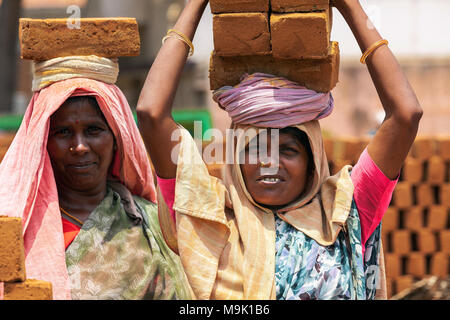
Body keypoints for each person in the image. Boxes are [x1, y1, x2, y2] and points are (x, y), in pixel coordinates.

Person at [136, 0, 423, 300]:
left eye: (288, 150)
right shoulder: (206, 216)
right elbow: (150, 114)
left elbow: (406, 115)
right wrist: (197, 4)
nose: (270, 163)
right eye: (255, 148)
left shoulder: (343, 213)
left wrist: (350, 7)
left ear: (312, 161)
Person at [0, 55, 191, 300]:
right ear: (43, 141)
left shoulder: (151, 224)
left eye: (93, 130)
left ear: (116, 140)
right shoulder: (17, 227)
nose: (80, 146)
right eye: (63, 132)